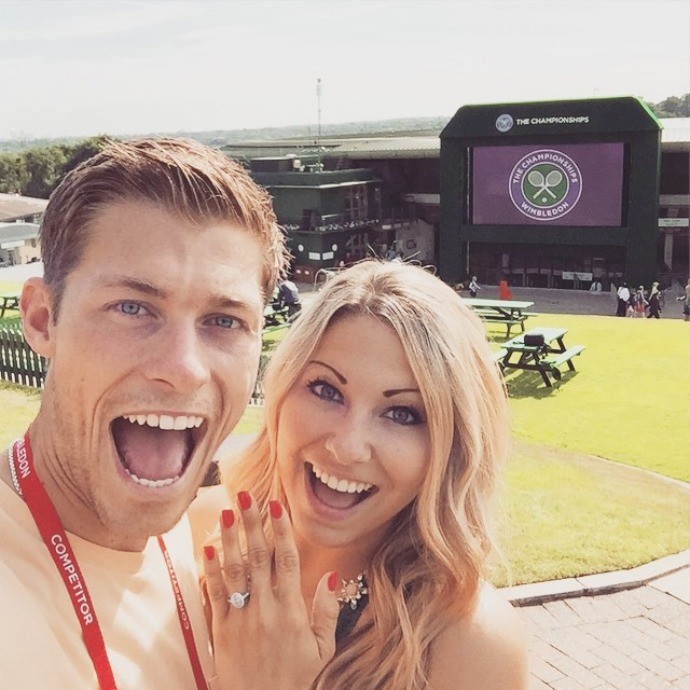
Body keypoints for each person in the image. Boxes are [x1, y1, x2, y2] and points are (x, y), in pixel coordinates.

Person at [0, 137, 338, 690]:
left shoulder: (213, 552)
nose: (184, 369)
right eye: (132, 308)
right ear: (42, 320)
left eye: (224, 321)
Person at [194, 260, 529, 689]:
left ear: (449, 450)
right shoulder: (195, 533)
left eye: (402, 414)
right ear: (281, 389)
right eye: (326, 390)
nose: (347, 447)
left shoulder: (471, 644)